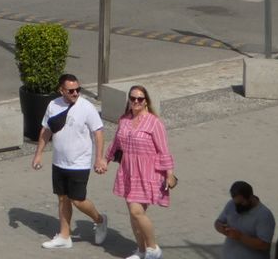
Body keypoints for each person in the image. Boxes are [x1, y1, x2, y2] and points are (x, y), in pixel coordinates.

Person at [96, 84, 176, 259]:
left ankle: (153, 248)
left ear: (146, 101)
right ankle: (141, 250)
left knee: (136, 211)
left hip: (148, 173)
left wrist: (169, 174)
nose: (136, 101)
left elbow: (164, 150)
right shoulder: (124, 120)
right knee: (134, 215)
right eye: (133, 98)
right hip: (128, 171)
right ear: (129, 101)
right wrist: (105, 160)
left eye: (140, 98)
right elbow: (116, 144)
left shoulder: (155, 123)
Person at [31, 73, 108, 249]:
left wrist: (99, 159)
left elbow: (98, 132)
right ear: (61, 90)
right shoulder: (53, 105)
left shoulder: (86, 107)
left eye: (78, 90)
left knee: (77, 199)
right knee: (62, 198)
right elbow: (46, 130)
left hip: (79, 163)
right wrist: (38, 154)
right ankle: (65, 236)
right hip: (59, 162)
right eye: (71, 90)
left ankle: (100, 220)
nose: (75, 93)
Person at [214, 181, 275, 259]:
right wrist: (222, 229)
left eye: (241, 203)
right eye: (236, 203)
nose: (237, 207)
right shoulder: (231, 204)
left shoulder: (264, 215)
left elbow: (264, 245)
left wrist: (240, 237)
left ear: (250, 197)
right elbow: (218, 222)